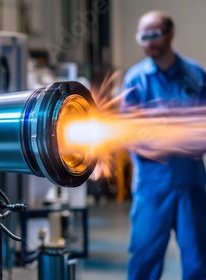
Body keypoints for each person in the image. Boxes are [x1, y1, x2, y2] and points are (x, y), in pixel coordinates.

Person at [121, 11, 206, 280]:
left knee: (198, 260)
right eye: (143, 37)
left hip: (190, 184)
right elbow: (125, 131)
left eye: (154, 34)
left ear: (170, 33)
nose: (148, 42)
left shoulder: (195, 76)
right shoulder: (136, 80)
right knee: (144, 261)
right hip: (151, 187)